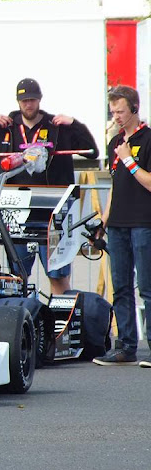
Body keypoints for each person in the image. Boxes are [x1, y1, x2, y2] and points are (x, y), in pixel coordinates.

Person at [0, 78, 99, 294]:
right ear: (18, 102)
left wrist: (75, 124)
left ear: (40, 100)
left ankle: (58, 322)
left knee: (58, 277)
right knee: (18, 279)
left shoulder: (56, 126)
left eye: (33, 100)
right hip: (16, 212)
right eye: (24, 100)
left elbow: (93, 152)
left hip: (51, 213)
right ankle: (25, 322)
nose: (29, 105)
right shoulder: (4, 127)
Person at [93, 85, 151, 367]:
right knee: (121, 287)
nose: (116, 116)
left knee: (148, 287)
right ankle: (126, 346)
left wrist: (129, 159)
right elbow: (115, 185)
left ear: (134, 109)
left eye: (121, 111)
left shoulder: (148, 138)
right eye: (113, 111)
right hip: (117, 224)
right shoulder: (115, 141)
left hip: (144, 222)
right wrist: (103, 221)